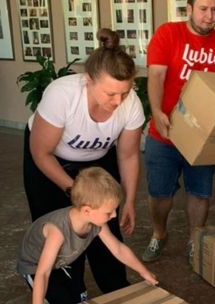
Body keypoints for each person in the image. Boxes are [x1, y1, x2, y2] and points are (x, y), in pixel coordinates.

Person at [23, 28, 144, 295]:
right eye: (110, 93)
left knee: (105, 223)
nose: (118, 101)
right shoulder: (63, 95)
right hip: (48, 160)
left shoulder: (130, 103)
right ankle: (68, 291)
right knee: (64, 230)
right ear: (88, 80)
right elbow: (41, 153)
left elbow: (128, 154)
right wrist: (75, 192)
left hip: (96, 162)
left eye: (124, 93)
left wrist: (130, 200)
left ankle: (115, 289)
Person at [141, 0, 215, 263]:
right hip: (165, 133)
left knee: (200, 192)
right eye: (203, 9)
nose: (209, 16)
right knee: (159, 193)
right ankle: (159, 233)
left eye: (214, 10)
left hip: (205, 138)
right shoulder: (168, 34)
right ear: (189, 9)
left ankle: (195, 239)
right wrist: (157, 112)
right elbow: (156, 76)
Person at [18, 167, 158, 304]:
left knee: (81, 299)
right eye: (109, 212)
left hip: (63, 262)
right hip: (36, 267)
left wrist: (143, 272)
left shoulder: (97, 222)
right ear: (87, 211)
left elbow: (118, 249)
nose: (114, 215)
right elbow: (43, 273)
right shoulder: (57, 232)